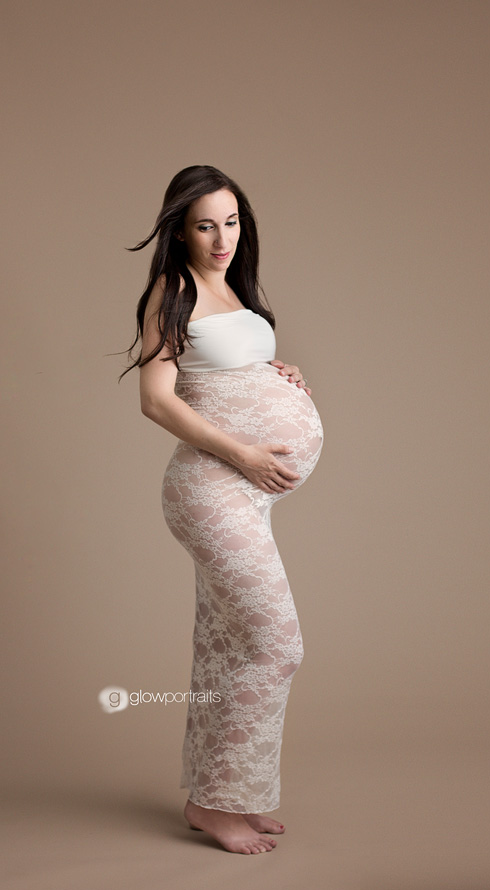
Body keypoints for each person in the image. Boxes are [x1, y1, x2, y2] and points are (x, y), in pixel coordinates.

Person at [120, 165, 324, 854]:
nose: (221, 239)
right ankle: (215, 805)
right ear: (180, 229)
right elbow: (156, 399)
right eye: (205, 225)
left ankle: (227, 796)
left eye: (231, 222)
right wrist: (243, 453)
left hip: (244, 493)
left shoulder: (233, 286)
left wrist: (281, 372)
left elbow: (223, 368)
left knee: (227, 647)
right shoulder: (172, 290)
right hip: (212, 490)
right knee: (275, 645)